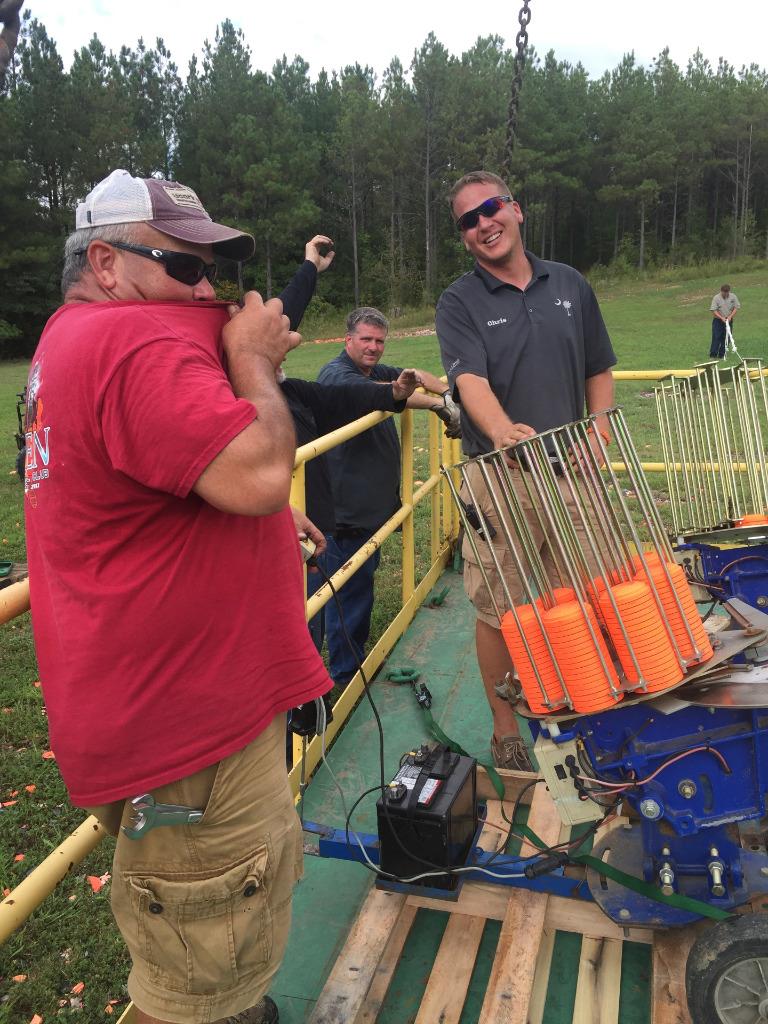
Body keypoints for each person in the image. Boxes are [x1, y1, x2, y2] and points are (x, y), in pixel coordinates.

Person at [23, 168, 332, 1024]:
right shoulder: (134, 344)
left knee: (210, 952)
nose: (211, 293)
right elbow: (265, 472)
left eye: (217, 273)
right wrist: (251, 360)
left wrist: (255, 536)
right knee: (192, 979)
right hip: (193, 732)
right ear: (107, 263)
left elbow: (131, 491)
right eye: (186, 270)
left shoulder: (70, 339)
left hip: (150, 714)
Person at [435, 170, 617, 772]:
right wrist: (502, 429)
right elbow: (469, 381)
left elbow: (598, 366)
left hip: (571, 470)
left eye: (490, 208)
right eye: (468, 219)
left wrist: (600, 428)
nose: (483, 223)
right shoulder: (459, 301)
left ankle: (590, 710)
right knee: (499, 608)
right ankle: (507, 731)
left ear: (516, 209)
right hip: (499, 476)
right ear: (463, 236)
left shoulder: (568, 283)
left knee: (588, 594)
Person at [317, 308, 460, 686]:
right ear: (347, 340)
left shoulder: (374, 370)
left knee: (349, 590)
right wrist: (435, 404)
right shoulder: (337, 375)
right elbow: (379, 394)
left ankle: (339, 668)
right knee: (345, 595)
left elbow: (408, 379)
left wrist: (441, 390)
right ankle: (346, 677)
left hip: (370, 509)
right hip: (345, 512)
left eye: (379, 341)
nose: (374, 348)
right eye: (365, 339)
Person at [709, 283, 740, 359]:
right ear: (721, 291)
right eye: (724, 292)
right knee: (716, 337)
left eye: (727, 292)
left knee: (727, 337)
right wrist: (721, 317)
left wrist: (730, 316)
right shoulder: (716, 298)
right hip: (718, 320)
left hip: (728, 320)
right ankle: (713, 354)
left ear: (729, 291)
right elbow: (714, 310)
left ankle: (722, 354)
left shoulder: (733, 296)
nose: (725, 294)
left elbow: (736, 307)